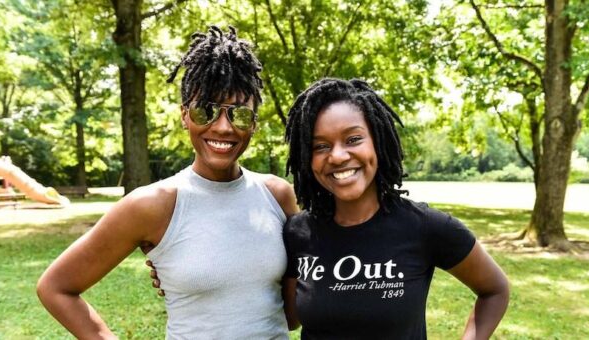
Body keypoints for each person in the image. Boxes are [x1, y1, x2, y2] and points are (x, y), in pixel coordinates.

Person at [36, 26, 298, 339]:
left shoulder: (278, 196)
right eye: (206, 111)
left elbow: (291, 316)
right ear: (185, 115)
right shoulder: (152, 204)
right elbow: (56, 288)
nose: (224, 127)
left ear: (254, 123)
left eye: (240, 114)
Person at [282, 78, 510, 339]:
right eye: (320, 146)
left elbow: (495, 289)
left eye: (353, 139)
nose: (337, 156)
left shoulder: (425, 227)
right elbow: (291, 320)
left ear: (378, 142)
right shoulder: (297, 233)